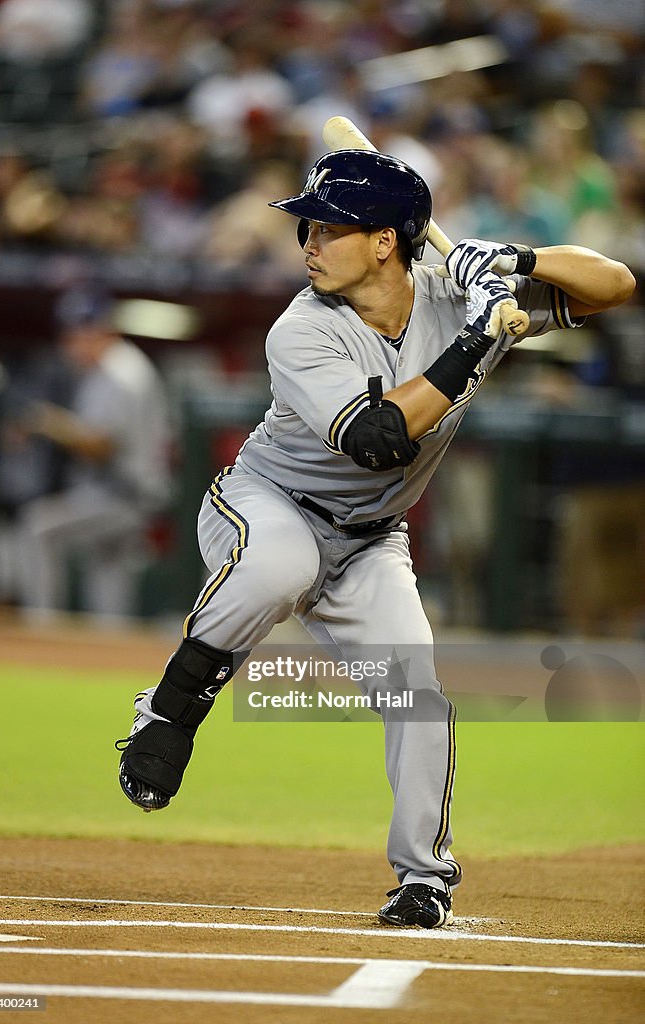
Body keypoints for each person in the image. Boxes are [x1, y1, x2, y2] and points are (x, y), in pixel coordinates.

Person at [115, 149, 634, 927]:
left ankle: (424, 878)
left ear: (386, 242)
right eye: (309, 228)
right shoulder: (301, 329)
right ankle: (171, 707)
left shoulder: (456, 291)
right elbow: (380, 439)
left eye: (328, 227)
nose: (308, 244)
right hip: (269, 502)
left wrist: (511, 259)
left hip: (370, 542)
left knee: (419, 698)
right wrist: (475, 341)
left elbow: (617, 285)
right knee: (278, 567)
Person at [16, 284, 173, 619]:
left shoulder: (120, 373)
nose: (73, 345)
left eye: (82, 334)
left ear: (103, 330)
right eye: (71, 335)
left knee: (37, 526)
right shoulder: (116, 367)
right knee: (108, 578)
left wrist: (49, 424)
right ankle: (109, 655)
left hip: (121, 496)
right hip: (125, 492)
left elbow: (100, 446)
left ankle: (41, 630)